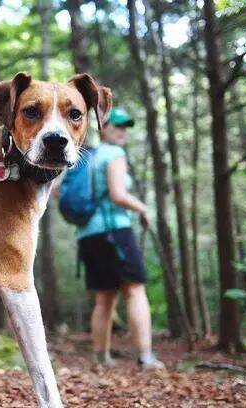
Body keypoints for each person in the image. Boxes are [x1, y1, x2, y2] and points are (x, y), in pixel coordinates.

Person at [76, 107, 164, 369]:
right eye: (117, 126)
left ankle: (101, 358)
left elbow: (59, 192)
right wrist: (143, 208)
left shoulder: (86, 157)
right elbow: (118, 195)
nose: (123, 131)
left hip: (87, 234)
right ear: (103, 127)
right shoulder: (114, 154)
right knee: (135, 290)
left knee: (104, 298)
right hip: (115, 231)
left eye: (126, 126)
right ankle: (146, 356)